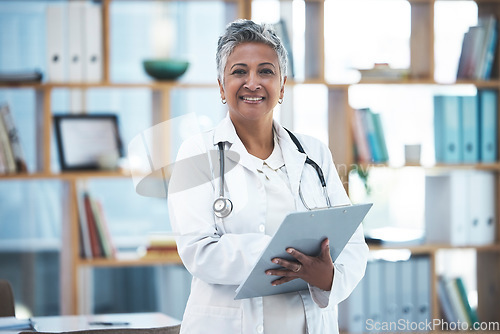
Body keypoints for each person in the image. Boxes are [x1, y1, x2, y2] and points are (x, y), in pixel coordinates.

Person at [168, 19, 368, 334]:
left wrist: (327, 278)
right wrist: (289, 258)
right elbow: (198, 251)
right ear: (221, 86)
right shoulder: (197, 152)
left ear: (282, 86)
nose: (253, 82)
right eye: (238, 72)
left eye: (265, 71)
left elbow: (353, 244)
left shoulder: (314, 152)